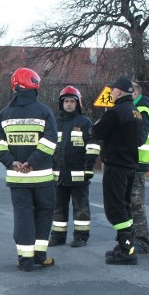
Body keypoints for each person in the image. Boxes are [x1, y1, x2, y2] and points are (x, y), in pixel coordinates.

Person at [0, 68, 58, 272]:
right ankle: (39, 256)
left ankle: (25, 260)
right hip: (42, 177)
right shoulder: (44, 111)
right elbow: (51, 141)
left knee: (22, 216)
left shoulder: (5, 114)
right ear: (35, 85)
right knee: (44, 213)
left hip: (17, 178)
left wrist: (11, 162)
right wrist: (33, 162)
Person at [92, 77, 145, 265]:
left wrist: (98, 124)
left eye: (113, 90)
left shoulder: (115, 112)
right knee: (124, 207)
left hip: (115, 166)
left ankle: (127, 250)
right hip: (130, 166)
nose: (111, 93)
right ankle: (125, 245)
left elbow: (96, 132)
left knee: (114, 210)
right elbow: (139, 140)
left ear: (119, 92)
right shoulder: (136, 113)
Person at [50, 86, 101, 247]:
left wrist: (88, 168)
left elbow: (93, 146)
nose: (69, 104)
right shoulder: (55, 123)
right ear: (61, 103)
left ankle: (80, 237)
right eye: (66, 101)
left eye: (72, 101)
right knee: (58, 208)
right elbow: (48, 146)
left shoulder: (85, 123)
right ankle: (58, 236)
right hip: (58, 175)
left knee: (81, 208)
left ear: (78, 103)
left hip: (79, 175)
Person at [132, 82, 149, 253]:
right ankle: (133, 238)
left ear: (135, 93)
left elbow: (139, 138)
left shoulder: (141, 111)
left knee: (136, 203)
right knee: (131, 202)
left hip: (138, 162)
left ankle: (142, 240)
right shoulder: (137, 108)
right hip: (134, 162)